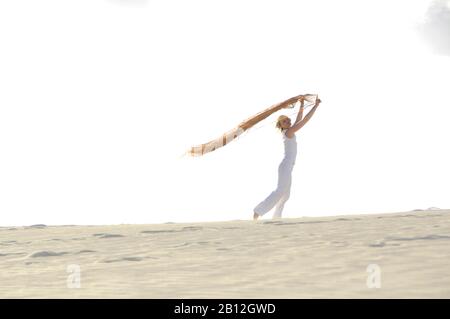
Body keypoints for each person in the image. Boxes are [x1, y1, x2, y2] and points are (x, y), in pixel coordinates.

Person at [253, 96, 321, 220]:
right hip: (285, 166)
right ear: (280, 125)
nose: (288, 122)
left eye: (288, 120)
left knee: (285, 195)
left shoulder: (290, 131)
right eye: (285, 121)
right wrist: (315, 106)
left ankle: (276, 217)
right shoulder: (288, 132)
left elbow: (299, 120)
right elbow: (304, 121)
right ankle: (258, 211)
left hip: (288, 167)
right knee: (280, 191)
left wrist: (301, 105)